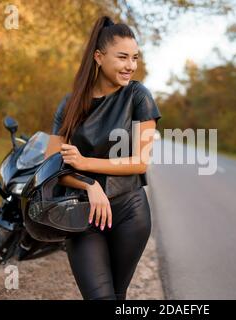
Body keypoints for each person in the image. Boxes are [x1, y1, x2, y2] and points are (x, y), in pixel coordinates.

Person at [50, 15, 162, 300]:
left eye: (135, 58)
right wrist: (90, 185)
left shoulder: (139, 97)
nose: (131, 66)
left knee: (117, 295)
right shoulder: (71, 103)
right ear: (99, 57)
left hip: (130, 212)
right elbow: (51, 166)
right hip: (81, 213)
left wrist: (85, 164)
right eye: (123, 57)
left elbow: (139, 162)